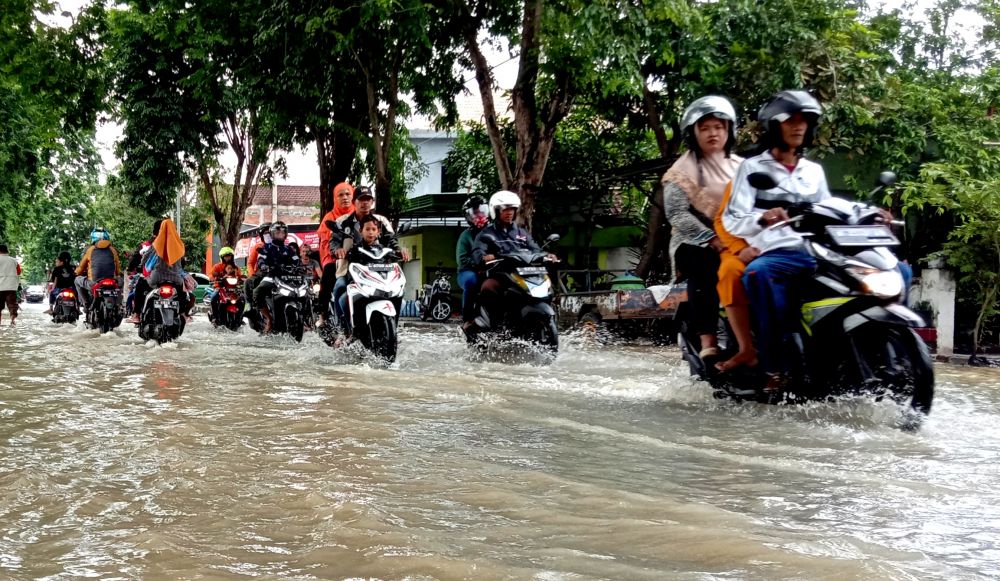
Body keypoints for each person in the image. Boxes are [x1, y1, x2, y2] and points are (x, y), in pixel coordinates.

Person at [722, 90, 899, 391]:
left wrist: (872, 213)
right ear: (774, 126)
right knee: (758, 274)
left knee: (897, 270)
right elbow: (731, 219)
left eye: (805, 121)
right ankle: (774, 365)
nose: (799, 126)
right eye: (791, 120)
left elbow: (830, 206)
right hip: (779, 249)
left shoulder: (813, 171)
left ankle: (873, 345)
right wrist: (763, 218)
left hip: (817, 248)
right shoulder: (751, 168)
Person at [661, 95, 744, 366]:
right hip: (693, 241)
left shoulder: (742, 167)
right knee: (707, 266)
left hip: (741, 236)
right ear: (693, 132)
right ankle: (708, 339)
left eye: (719, 127)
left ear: (729, 130)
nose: (713, 133)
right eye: (705, 128)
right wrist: (711, 239)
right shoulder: (681, 171)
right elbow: (676, 213)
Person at [471, 190, 557, 328]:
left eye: (512, 209)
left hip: (523, 273)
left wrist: (547, 255)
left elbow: (535, 249)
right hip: (500, 274)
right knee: (488, 288)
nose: (509, 212)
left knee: (547, 288)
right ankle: (494, 326)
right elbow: (477, 252)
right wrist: (483, 257)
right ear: (496, 211)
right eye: (505, 209)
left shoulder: (522, 233)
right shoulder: (486, 233)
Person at [328, 186, 408, 330]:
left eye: (368, 200)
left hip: (379, 268)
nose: (365, 203)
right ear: (354, 202)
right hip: (349, 267)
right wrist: (337, 250)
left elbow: (391, 239)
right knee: (340, 288)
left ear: (372, 202)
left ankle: (393, 328)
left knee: (399, 290)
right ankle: (342, 329)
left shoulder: (381, 221)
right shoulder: (343, 221)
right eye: (361, 200)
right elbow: (334, 241)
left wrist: (399, 250)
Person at [337, 214, 392, 339]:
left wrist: (399, 252)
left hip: (381, 287)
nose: (371, 232)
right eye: (367, 229)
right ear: (360, 231)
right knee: (342, 300)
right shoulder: (355, 249)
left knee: (402, 300)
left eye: (374, 229)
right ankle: (348, 331)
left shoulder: (384, 251)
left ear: (378, 232)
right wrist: (343, 252)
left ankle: (394, 329)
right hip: (361, 286)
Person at [131, 219, 194, 322]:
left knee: (140, 285)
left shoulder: (156, 244)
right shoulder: (179, 245)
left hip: (156, 278)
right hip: (176, 279)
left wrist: (141, 265)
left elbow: (145, 259)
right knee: (182, 292)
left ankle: (136, 314)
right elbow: (182, 262)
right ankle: (183, 314)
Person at [316, 182, 356, 323]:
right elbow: (327, 241)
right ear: (335, 198)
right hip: (334, 257)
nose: (345, 198)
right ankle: (323, 316)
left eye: (348, 194)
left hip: (359, 257)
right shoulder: (330, 217)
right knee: (327, 279)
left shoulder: (359, 214)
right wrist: (336, 253)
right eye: (341, 195)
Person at [253, 221, 300, 333]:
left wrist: (299, 267)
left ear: (285, 234)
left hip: (288, 278)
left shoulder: (289, 249)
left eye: (282, 233)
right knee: (257, 292)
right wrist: (264, 265)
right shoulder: (267, 247)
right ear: (272, 234)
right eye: (277, 232)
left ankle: (308, 321)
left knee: (307, 294)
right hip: (271, 276)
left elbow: (297, 260)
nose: (280, 234)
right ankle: (269, 318)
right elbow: (261, 258)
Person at [456, 195, 490, 331]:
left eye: (482, 210)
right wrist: (479, 265)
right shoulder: (466, 236)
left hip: (494, 269)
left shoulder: (494, 232)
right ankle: (468, 319)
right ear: (468, 217)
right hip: (468, 271)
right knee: (471, 281)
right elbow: (462, 260)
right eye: (475, 213)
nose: (479, 215)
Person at [75, 228, 122, 313]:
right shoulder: (113, 250)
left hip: (94, 283)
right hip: (111, 281)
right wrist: (117, 275)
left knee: (77, 280)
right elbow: (118, 268)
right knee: (120, 283)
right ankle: (119, 305)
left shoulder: (90, 250)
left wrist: (76, 273)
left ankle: (86, 303)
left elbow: (81, 267)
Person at [0, 244, 21, 326]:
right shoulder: (14, 261)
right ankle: (13, 319)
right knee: (12, 305)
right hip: (11, 286)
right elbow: (19, 272)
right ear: (7, 251)